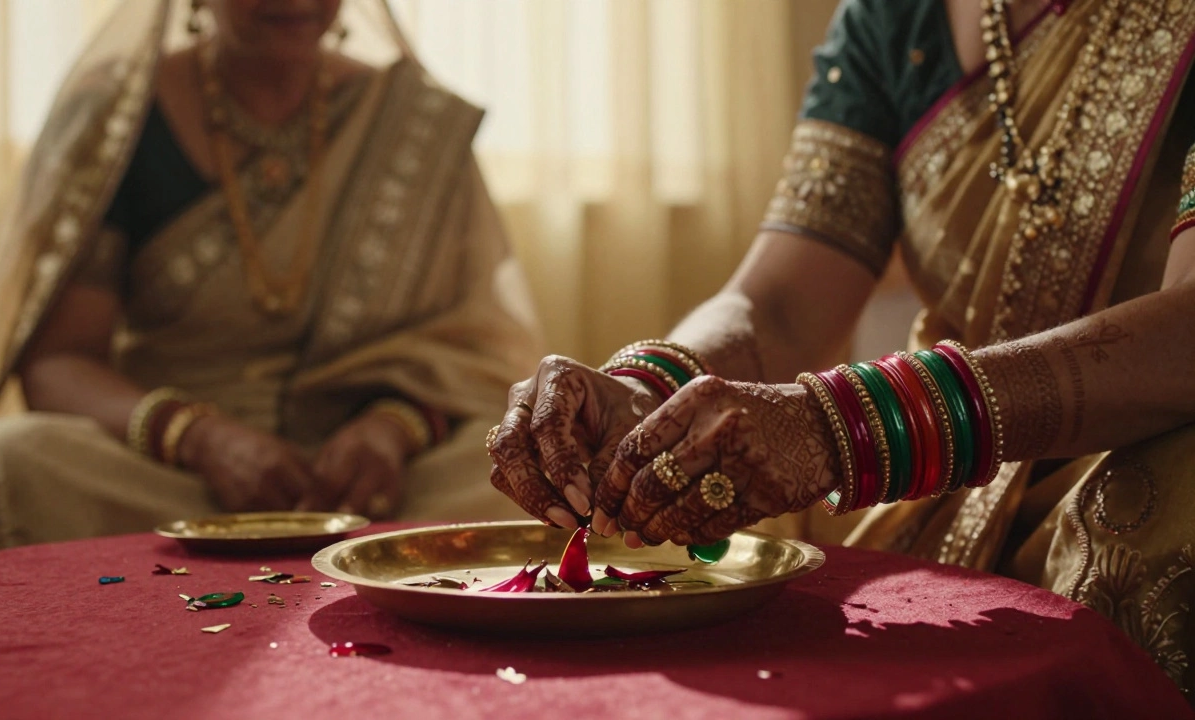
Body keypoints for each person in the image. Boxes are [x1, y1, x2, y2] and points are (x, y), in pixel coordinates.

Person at [488, 0, 1195, 694]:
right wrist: (647, 389)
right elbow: (782, 301)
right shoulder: (892, 18)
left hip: (1129, 472)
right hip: (947, 488)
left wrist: (842, 428)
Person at [0, 0, 542, 564]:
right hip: (173, 480)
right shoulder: (119, 113)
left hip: (372, 480)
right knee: (10, 463)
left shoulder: (414, 123)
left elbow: (474, 355)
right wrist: (198, 437)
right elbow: (60, 362)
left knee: (525, 468)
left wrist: (392, 430)